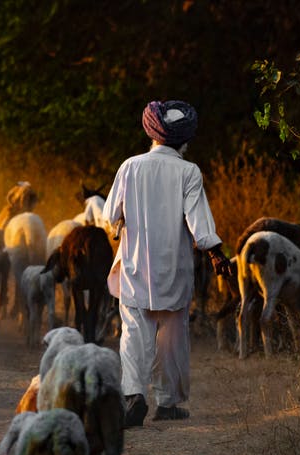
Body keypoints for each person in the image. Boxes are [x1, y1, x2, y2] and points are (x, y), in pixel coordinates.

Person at [98, 100, 233, 427]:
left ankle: (133, 396)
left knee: (133, 333)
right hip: (174, 272)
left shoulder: (130, 166)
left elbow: (109, 216)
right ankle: (168, 404)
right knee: (171, 338)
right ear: (184, 139)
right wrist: (215, 252)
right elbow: (199, 224)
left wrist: (118, 228)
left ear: (152, 131)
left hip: (134, 269)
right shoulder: (189, 171)